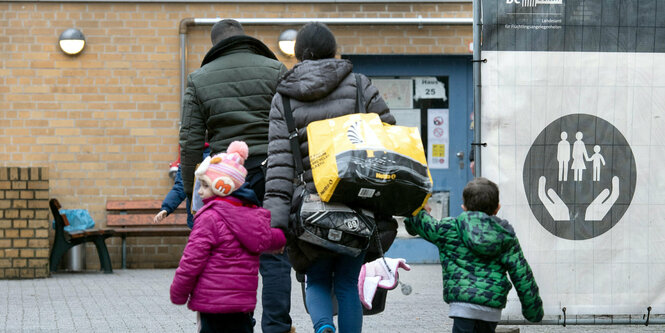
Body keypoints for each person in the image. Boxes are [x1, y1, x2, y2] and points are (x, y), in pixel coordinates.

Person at [263, 22, 397, 333]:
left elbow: (280, 166)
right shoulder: (360, 86)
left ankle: (323, 328)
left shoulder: (283, 98)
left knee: (318, 278)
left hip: (308, 210)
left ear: (298, 54)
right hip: (357, 206)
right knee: (349, 283)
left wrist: (276, 223)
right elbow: (389, 140)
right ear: (333, 50)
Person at [177, 19, 293, 332]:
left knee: (223, 253)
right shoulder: (275, 69)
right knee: (275, 253)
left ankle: (232, 325)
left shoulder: (199, 78)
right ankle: (276, 327)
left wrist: (192, 193)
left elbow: (189, 141)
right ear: (245, 39)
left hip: (225, 178)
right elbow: (294, 127)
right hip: (273, 171)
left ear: (215, 45)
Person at [170, 141, 287, 333]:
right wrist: (281, 239)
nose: (199, 191)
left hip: (210, 305)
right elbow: (269, 237)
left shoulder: (208, 217)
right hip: (241, 307)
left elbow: (192, 259)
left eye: (205, 186)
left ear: (222, 187)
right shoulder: (252, 215)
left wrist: (179, 291)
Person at [404, 177, 544, 333]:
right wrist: (533, 312)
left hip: (462, 306)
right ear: (497, 208)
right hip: (491, 307)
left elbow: (420, 223)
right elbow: (522, 275)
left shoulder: (450, 228)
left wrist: (422, 211)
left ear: (464, 207)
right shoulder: (505, 237)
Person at [154, 144, 210, 229]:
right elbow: (180, 187)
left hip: (212, 216)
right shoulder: (188, 157)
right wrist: (166, 207)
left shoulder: (217, 155)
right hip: (196, 218)